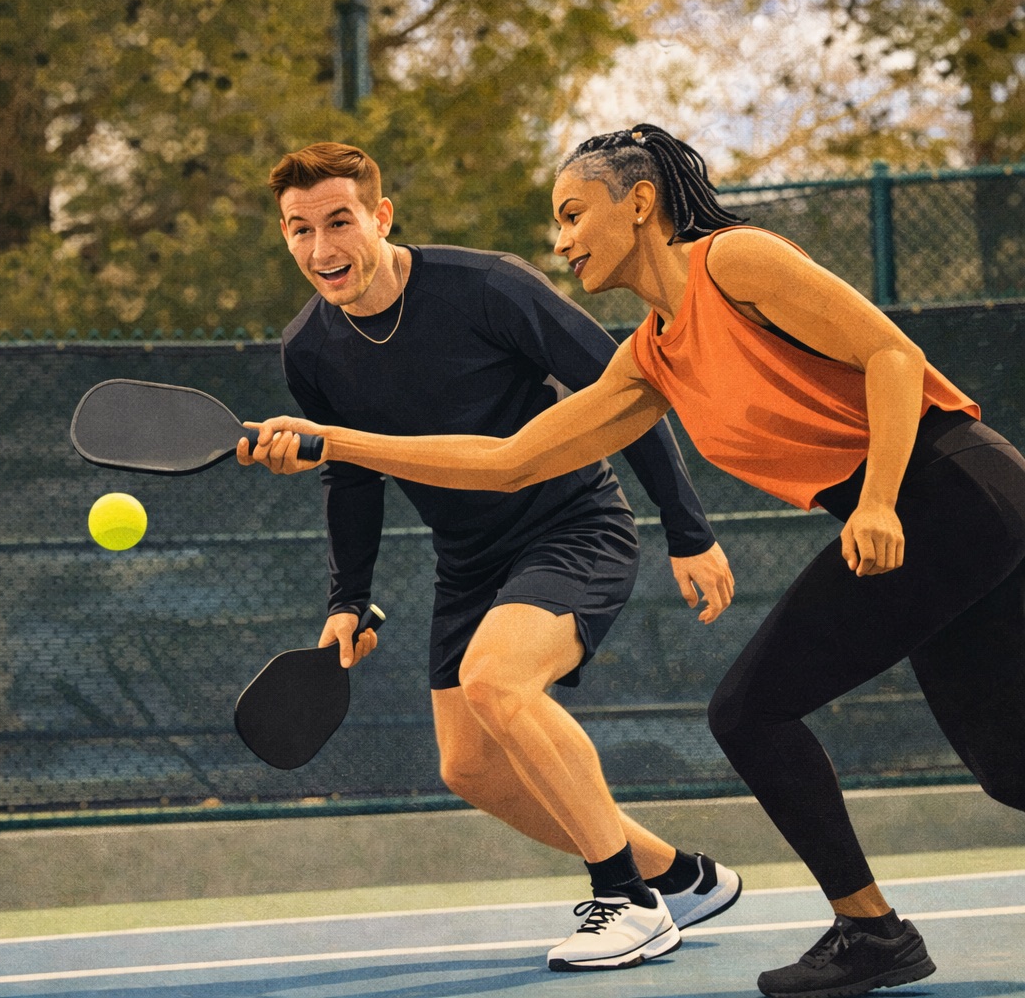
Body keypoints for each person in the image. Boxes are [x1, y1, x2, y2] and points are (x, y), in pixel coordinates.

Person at [246, 125, 1025, 998]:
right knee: (1010, 764)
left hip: (949, 488)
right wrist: (332, 444)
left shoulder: (737, 261)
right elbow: (508, 461)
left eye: (575, 214)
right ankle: (819, 914)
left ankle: (869, 930)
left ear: (641, 203)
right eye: (558, 221)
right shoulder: (652, 356)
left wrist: (878, 497)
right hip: (934, 516)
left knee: (748, 714)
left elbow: (892, 353)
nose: (562, 239)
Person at [239, 142, 743, 972]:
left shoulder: (487, 286)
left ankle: (625, 900)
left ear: (380, 217)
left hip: (572, 524)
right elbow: (354, 478)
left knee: (496, 681)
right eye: (299, 230)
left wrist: (688, 530)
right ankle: (678, 876)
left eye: (339, 221)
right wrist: (346, 599)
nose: (322, 249)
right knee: (468, 765)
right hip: (468, 558)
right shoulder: (309, 350)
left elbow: (628, 391)